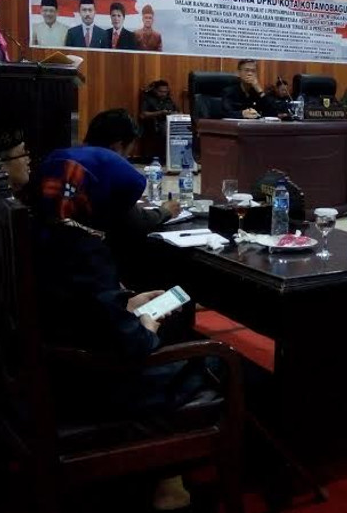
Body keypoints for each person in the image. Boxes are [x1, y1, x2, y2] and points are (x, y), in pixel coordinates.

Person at [32, 146, 216, 509]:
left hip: (43, 366)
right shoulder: (84, 250)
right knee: (213, 363)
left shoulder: (41, 229)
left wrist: (124, 304)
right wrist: (144, 322)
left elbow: (74, 304)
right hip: (84, 384)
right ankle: (171, 487)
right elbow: (133, 345)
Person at [139, 80, 177, 146]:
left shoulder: (168, 99)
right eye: (160, 92)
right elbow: (142, 115)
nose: (163, 94)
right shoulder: (148, 99)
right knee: (165, 129)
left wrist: (174, 113)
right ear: (155, 90)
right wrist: (160, 113)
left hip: (170, 123)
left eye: (165, 92)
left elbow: (178, 111)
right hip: (154, 125)